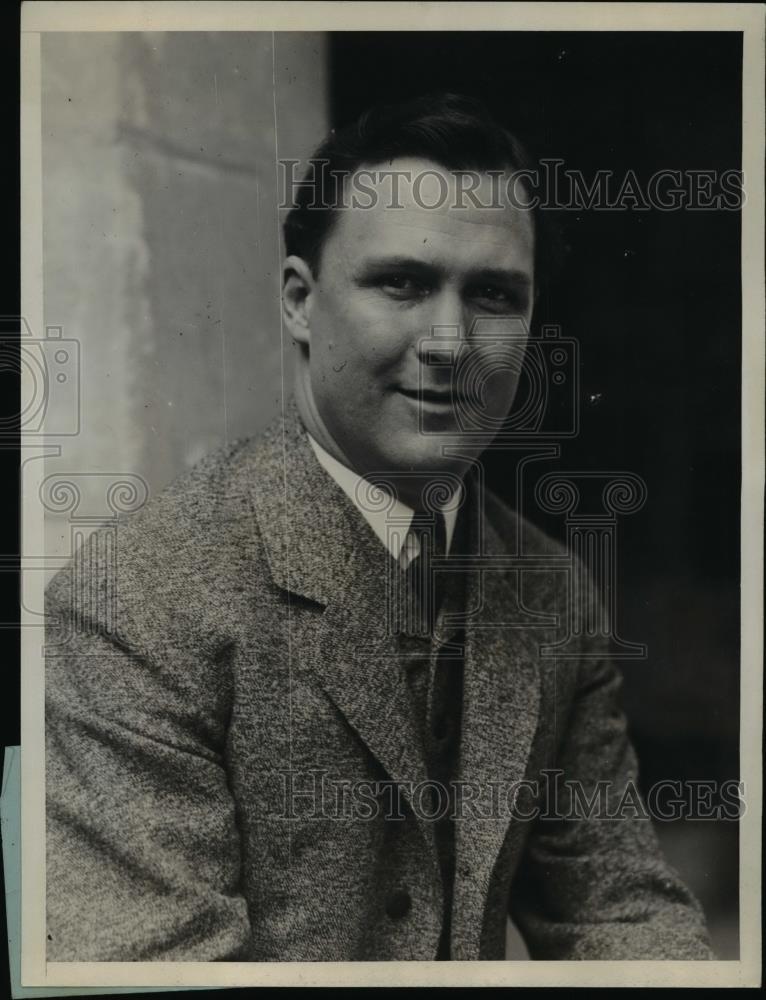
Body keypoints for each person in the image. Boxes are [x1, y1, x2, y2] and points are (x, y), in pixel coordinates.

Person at [44, 93, 715, 962]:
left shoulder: (553, 589)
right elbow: (157, 972)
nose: (449, 341)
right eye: (401, 283)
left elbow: (621, 913)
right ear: (298, 300)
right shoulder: (133, 598)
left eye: (494, 295)